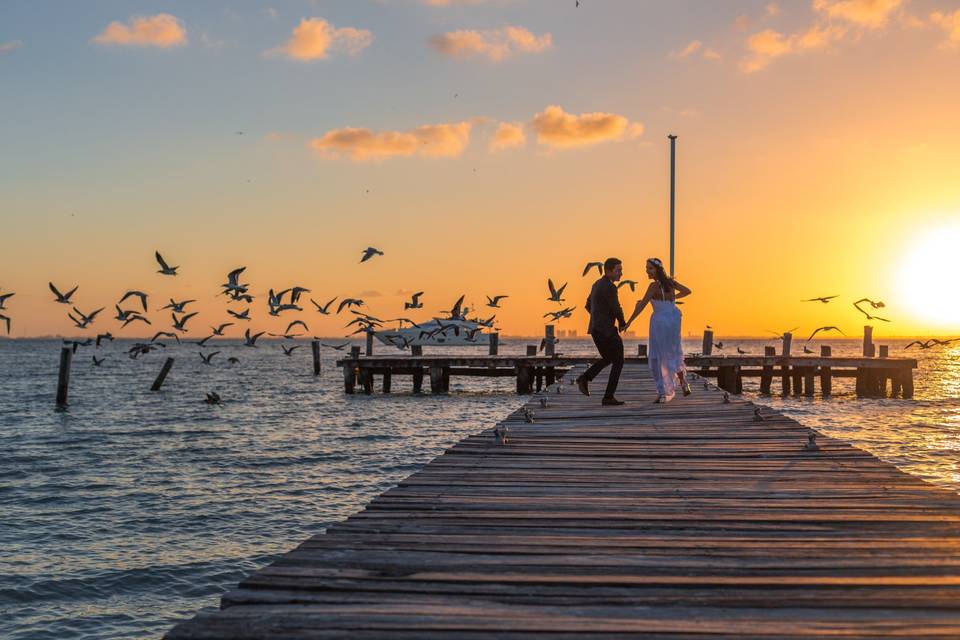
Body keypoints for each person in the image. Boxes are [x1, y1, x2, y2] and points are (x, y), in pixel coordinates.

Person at [623, 258, 692, 403]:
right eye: (647, 268)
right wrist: (674, 297)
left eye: (650, 268)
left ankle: (661, 392)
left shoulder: (654, 286)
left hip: (660, 322)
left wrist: (629, 321)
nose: (647, 271)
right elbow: (687, 291)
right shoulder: (671, 283)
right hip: (673, 319)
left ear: (657, 270)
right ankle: (684, 383)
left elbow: (642, 305)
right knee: (674, 352)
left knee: (659, 355)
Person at [576, 257, 626, 406]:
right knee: (619, 361)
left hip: (596, 329)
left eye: (621, 270)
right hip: (606, 331)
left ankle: (585, 378)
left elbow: (587, 305)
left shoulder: (597, 284)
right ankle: (608, 397)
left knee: (609, 358)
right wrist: (622, 322)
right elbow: (616, 307)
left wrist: (598, 316)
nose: (621, 274)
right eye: (618, 270)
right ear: (609, 271)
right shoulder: (610, 287)